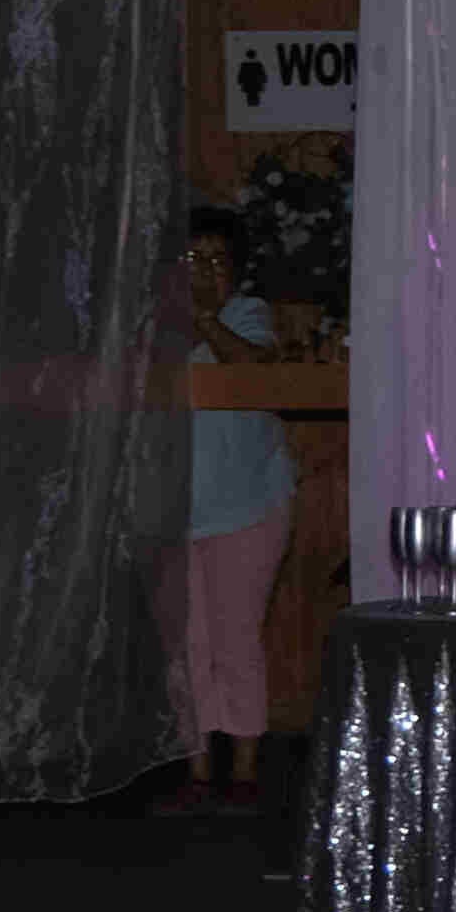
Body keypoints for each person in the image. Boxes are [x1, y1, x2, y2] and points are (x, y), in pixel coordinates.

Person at [150, 208, 295, 811]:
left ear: (235, 269)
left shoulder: (248, 314)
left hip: (249, 504)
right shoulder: (158, 324)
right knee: (186, 644)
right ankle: (197, 770)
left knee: (236, 637)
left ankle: (244, 770)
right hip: (175, 508)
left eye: (215, 260)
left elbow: (255, 368)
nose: (204, 271)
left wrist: (205, 317)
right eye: (191, 261)